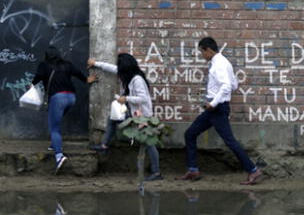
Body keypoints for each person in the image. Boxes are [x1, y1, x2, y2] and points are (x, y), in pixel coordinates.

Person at [176, 37, 262, 184]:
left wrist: (213, 102)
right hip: (214, 109)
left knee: (230, 141)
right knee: (190, 134)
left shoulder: (219, 65)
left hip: (217, 109)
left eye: (202, 52)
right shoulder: (223, 62)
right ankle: (193, 170)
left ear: (208, 50)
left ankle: (253, 171)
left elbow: (227, 86)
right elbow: (234, 84)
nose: (202, 55)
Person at [87, 53, 162, 181]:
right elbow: (111, 68)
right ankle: (104, 146)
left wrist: (125, 98)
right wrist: (95, 64)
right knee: (113, 118)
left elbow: (143, 98)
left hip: (142, 115)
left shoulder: (137, 80)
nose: (118, 71)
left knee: (149, 143)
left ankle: (156, 172)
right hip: (132, 112)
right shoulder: (128, 74)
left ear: (125, 68)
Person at [31, 46, 97, 174]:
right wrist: (87, 79)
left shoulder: (44, 65)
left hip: (57, 98)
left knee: (54, 128)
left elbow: (38, 77)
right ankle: (53, 144)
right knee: (56, 120)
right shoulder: (66, 64)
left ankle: (59, 156)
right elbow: (78, 73)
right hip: (71, 98)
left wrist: (32, 84)